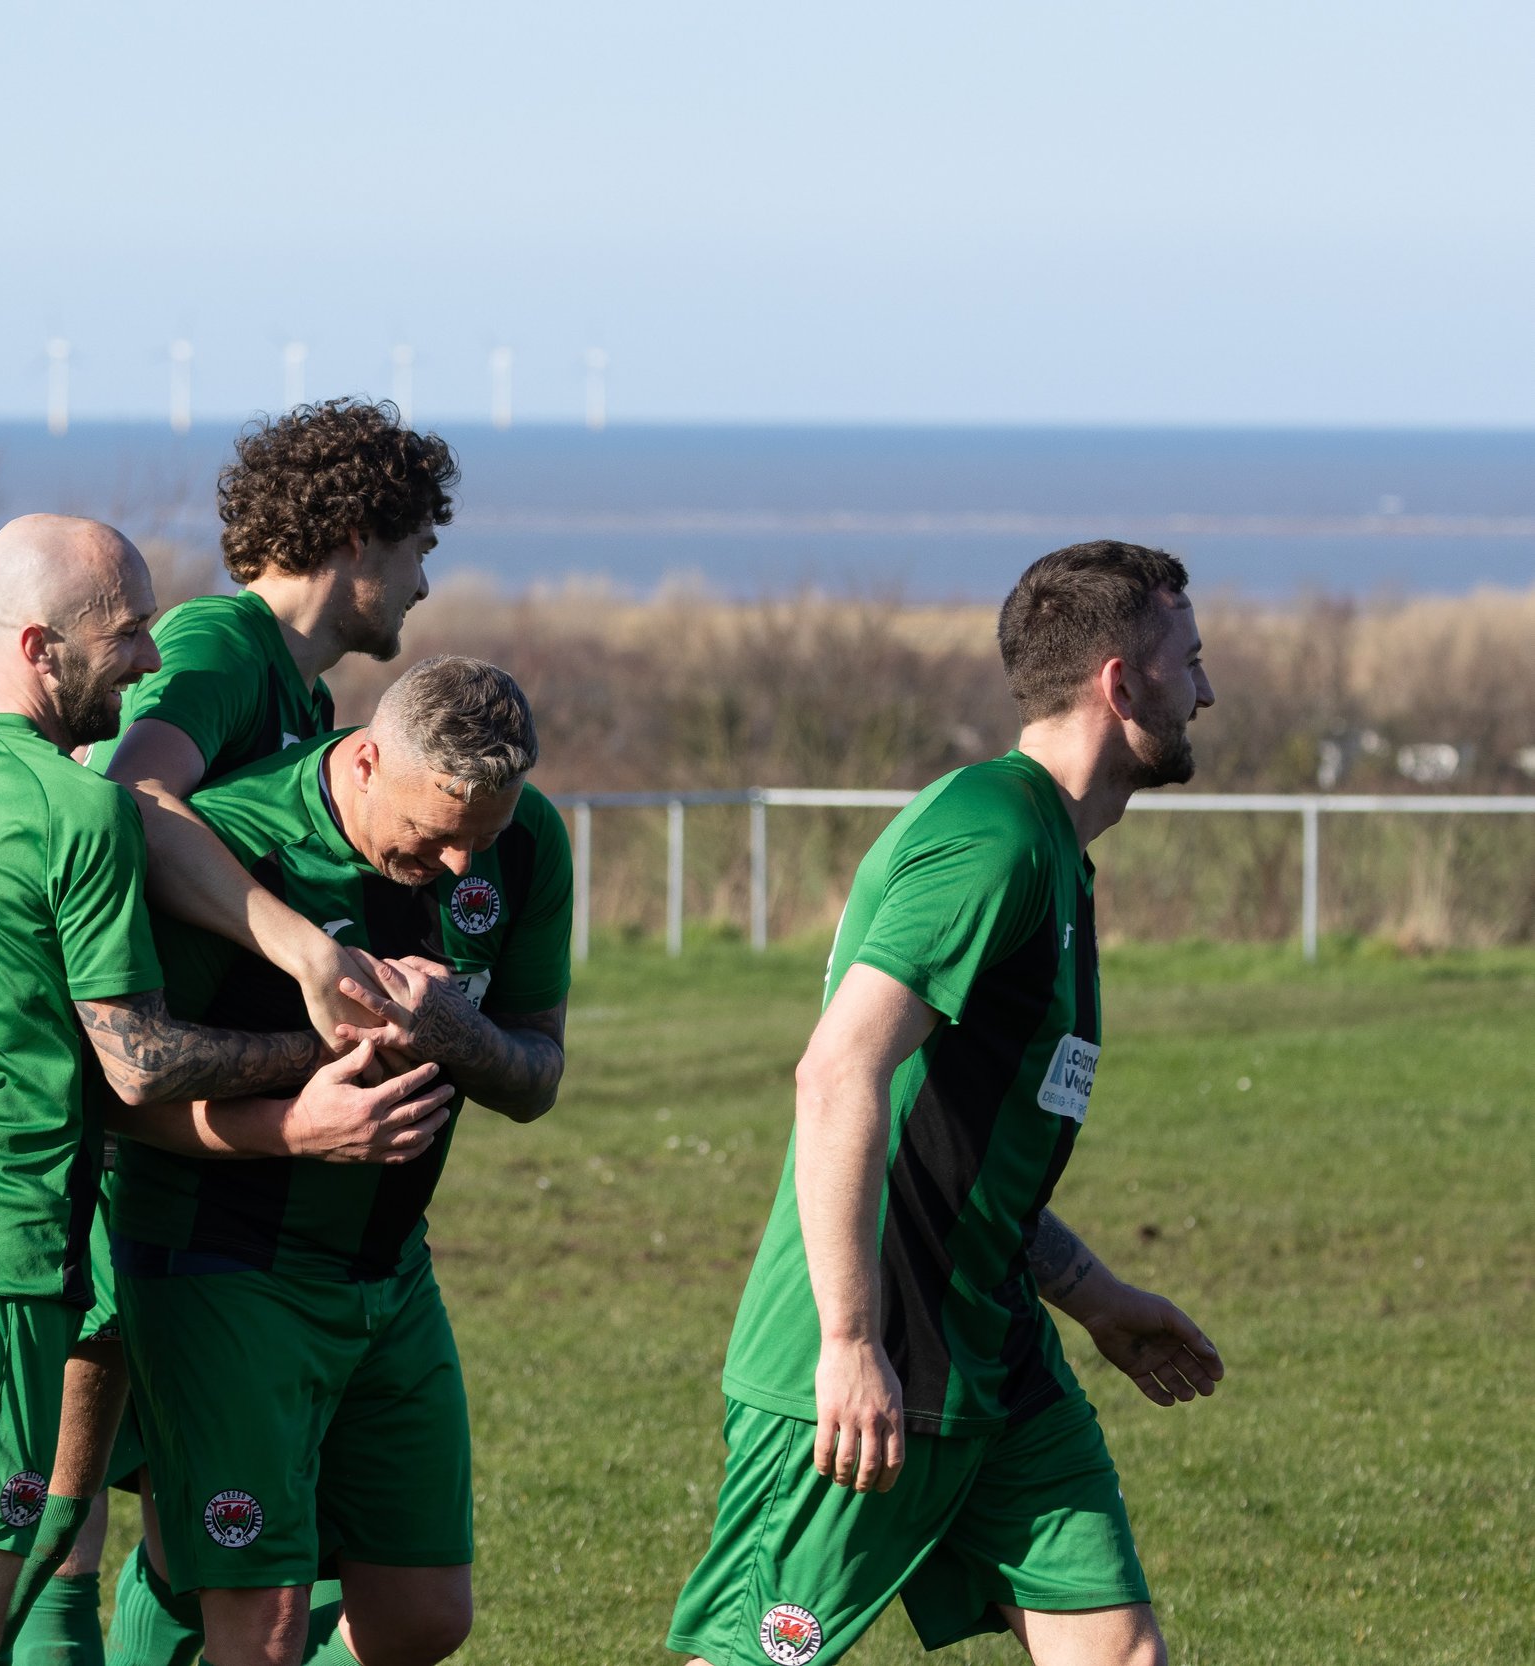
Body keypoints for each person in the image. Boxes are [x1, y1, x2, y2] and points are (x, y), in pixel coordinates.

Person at [0, 515, 451, 1666]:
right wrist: (333, 1047)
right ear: (42, 645)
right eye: (129, 634)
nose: (151, 661)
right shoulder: (79, 810)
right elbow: (140, 1061)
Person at [665, 542, 1227, 1666]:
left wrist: (1096, 1295)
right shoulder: (992, 836)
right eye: (1190, 662)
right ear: (1121, 683)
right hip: (872, 1364)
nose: (1206, 691)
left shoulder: (1051, 852)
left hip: (996, 1353)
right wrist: (847, 1340)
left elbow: (959, 1152)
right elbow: (836, 1074)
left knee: (1117, 1651)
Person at [5, 399, 458, 1666]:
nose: (426, 582)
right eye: (419, 547)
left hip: (198, 1142)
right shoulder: (221, 641)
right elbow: (131, 795)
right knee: (79, 1495)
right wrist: (306, 950)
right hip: (139, 1130)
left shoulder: (305, 709)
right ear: (360, 537)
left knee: (177, 1513)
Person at [115, 654, 573, 1666]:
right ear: (364, 761)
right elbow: (118, 1099)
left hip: (388, 1270)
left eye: (481, 838)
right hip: (219, 1265)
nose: (461, 866)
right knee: (257, 1623)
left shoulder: (528, 841)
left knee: (421, 1617)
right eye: (436, 834)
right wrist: (295, 1127)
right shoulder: (234, 847)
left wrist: (458, 1033)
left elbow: (535, 1076)